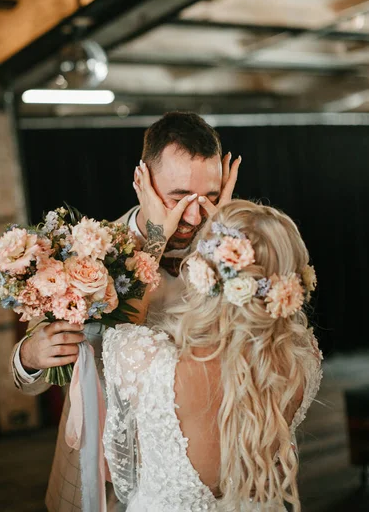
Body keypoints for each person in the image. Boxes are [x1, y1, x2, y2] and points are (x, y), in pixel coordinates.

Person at [9, 111, 241, 512]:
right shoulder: (86, 251)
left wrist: (228, 226)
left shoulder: (235, 252)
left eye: (211, 198)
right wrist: (30, 357)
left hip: (212, 466)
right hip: (109, 469)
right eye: (179, 196)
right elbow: (30, 376)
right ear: (143, 181)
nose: (193, 216)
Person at [101, 163, 322, 511]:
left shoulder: (148, 360)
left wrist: (160, 235)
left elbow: (125, 321)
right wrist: (228, 230)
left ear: (200, 269)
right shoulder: (302, 357)